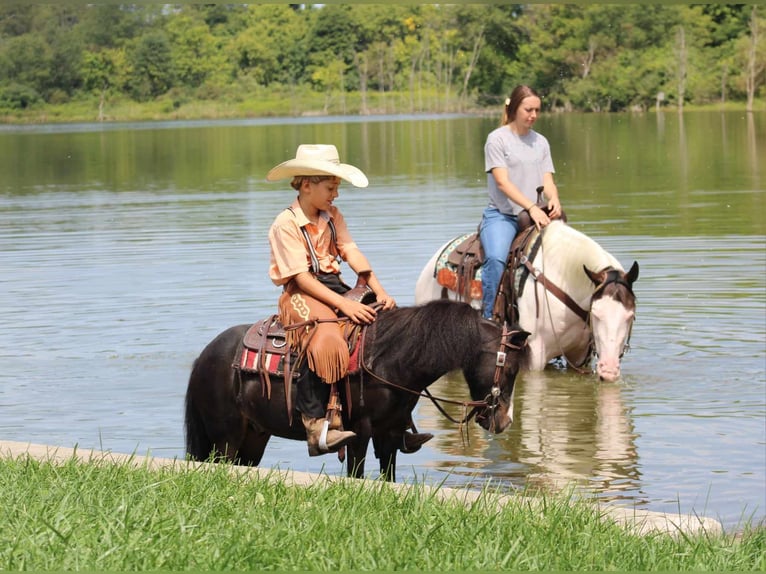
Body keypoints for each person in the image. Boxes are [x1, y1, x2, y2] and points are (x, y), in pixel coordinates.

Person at [266, 144, 431, 456]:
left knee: (388, 331)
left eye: (337, 188)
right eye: (330, 188)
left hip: (334, 285)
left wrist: (379, 290)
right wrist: (344, 305)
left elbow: (351, 252)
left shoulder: (332, 216)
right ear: (306, 185)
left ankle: (396, 422)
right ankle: (316, 426)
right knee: (326, 338)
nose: (335, 195)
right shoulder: (285, 224)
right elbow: (300, 278)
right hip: (301, 293)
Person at [479, 85, 563, 320]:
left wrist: (554, 198)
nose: (533, 115)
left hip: (536, 213)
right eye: (528, 110)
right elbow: (503, 183)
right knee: (496, 258)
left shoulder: (541, 142)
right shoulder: (497, 139)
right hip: (503, 215)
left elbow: (547, 179)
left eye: (537, 110)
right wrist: (531, 207)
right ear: (515, 108)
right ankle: (487, 318)